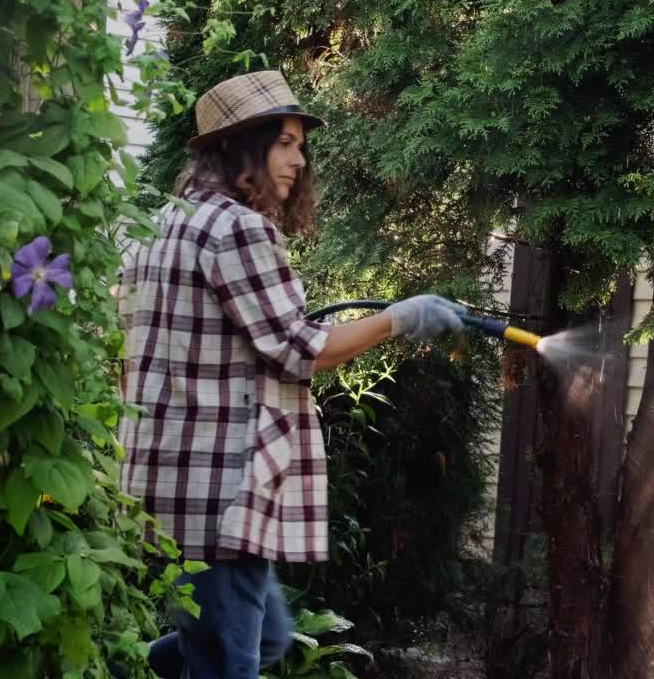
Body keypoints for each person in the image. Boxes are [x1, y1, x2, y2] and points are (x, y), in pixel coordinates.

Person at [116, 70, 466, 679]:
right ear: (240, 145)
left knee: (264, 637)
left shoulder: (167, 223)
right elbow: (301, 350)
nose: (299, 160)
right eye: (285, 142)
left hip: (173, 482)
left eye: (301, 145)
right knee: (233, 661)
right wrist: (400, 317)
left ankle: (116, 668)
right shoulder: (239, 229)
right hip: (222, 489)